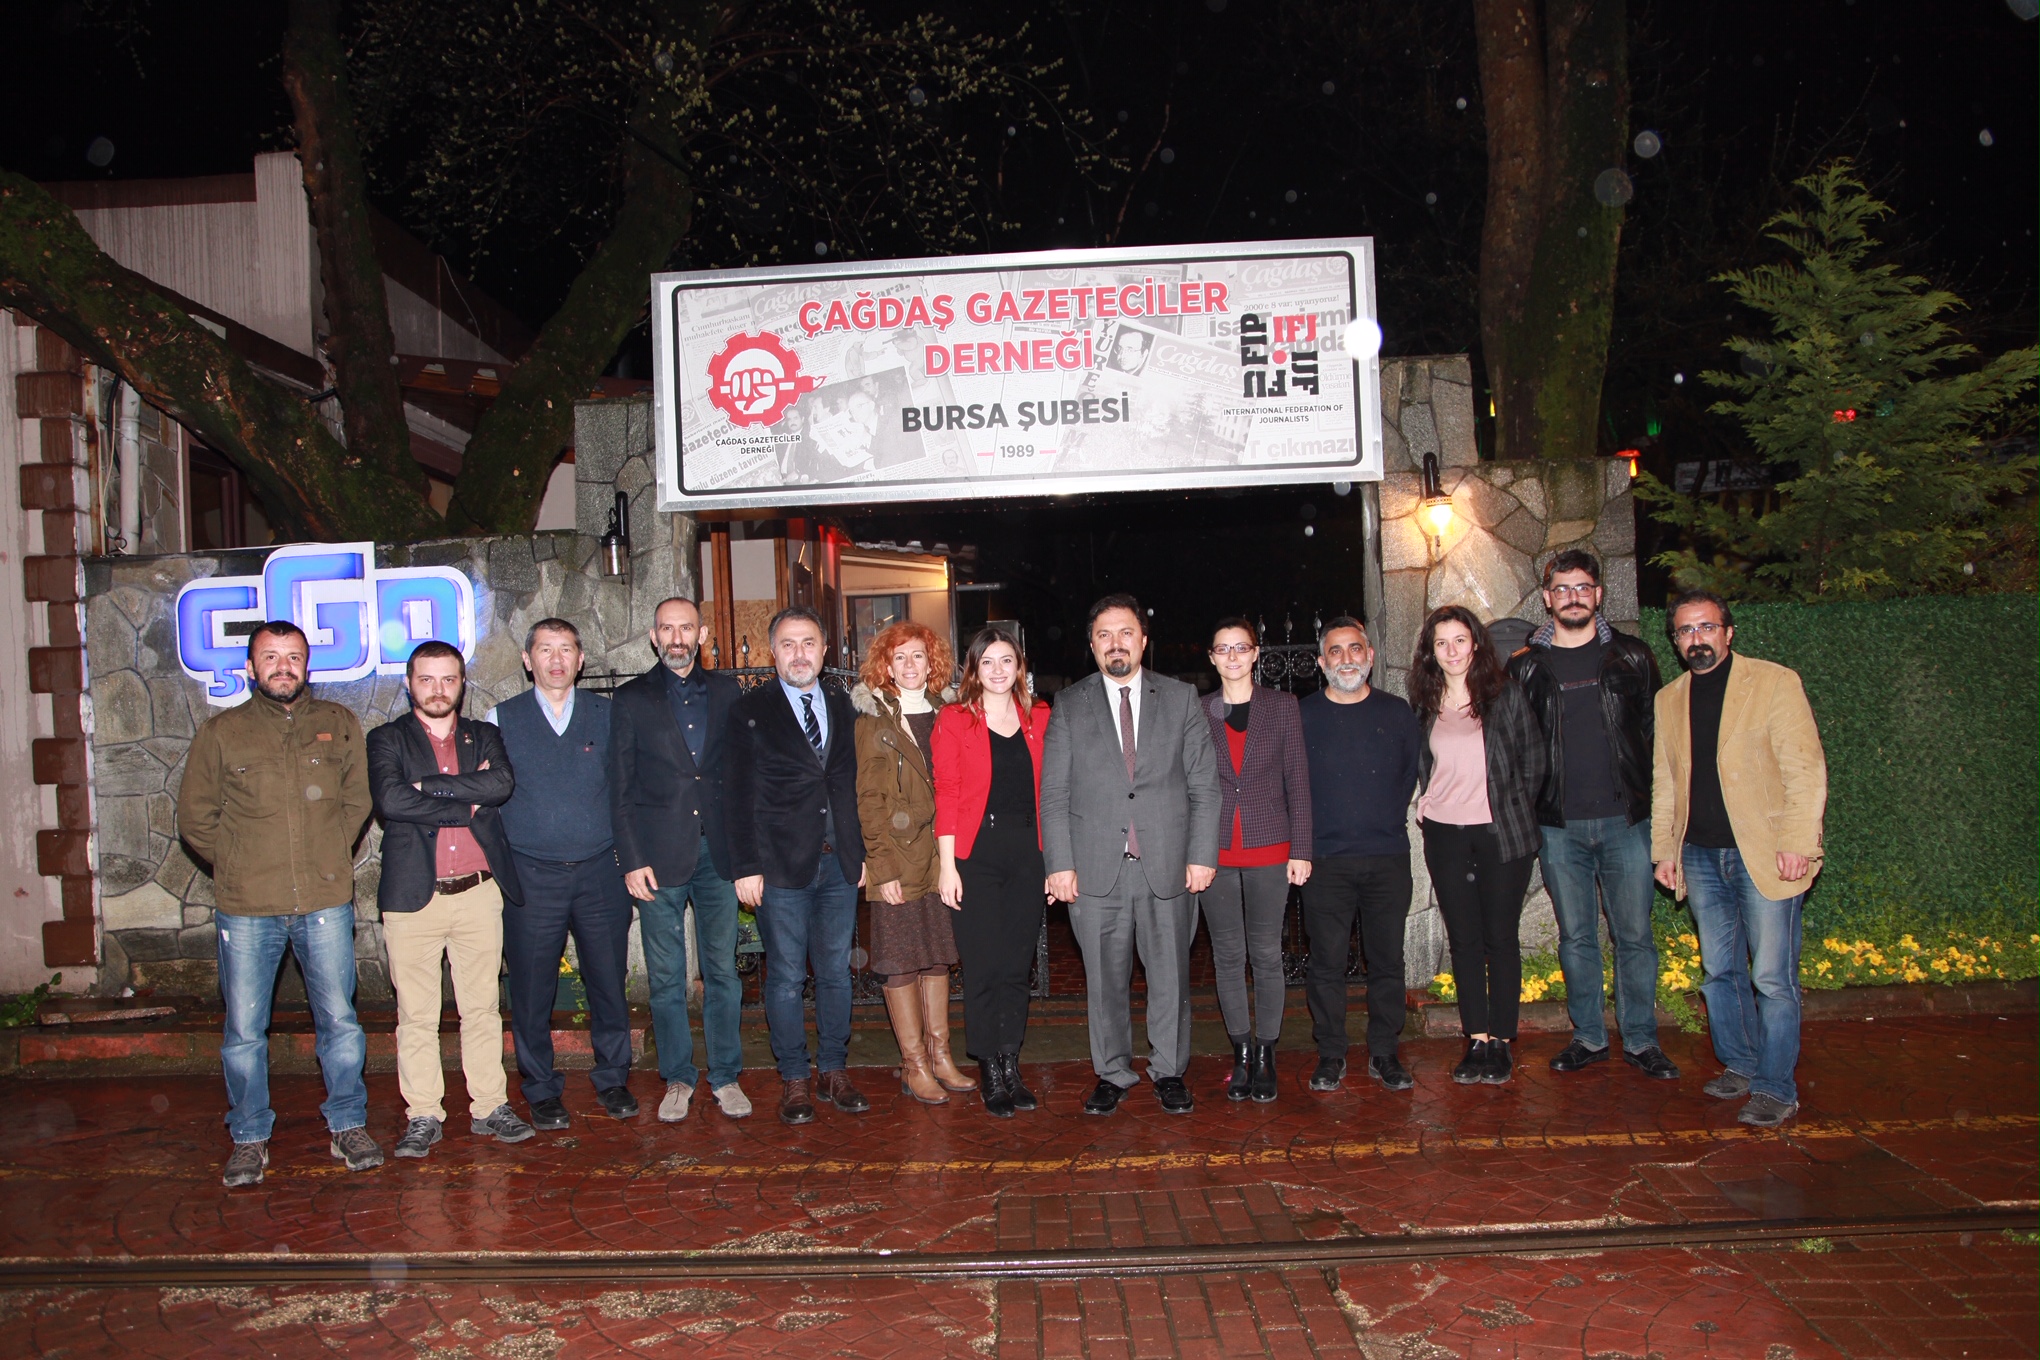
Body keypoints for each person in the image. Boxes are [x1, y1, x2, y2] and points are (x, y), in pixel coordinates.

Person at [178, 621, 380, 1186]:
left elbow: (357, 799)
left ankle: (348, 1123)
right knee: (244, 1031)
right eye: (270, 657)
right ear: (250, 668)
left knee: (340, 1022)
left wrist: (330, 851)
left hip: (324, 901)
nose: (283, 666)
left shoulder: (339, 723)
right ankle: (249, 1136)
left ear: (307, 665)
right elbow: (195, 816)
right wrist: (238, 863)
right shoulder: (222, 733)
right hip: (247, 907)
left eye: (293, 656)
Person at [1040, 593, 1222, 1116]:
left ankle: (1169, 1070)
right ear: (1092, 644)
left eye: (1125, 633)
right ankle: (1113, 1072)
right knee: (1104, 982)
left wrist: (1202, 855)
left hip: (1168, 864)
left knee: (1171, 978)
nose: (1115, 644)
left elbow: (1204, 785)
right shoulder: (1069, 704)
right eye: (1104, 635)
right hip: (1096, 870)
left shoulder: (1181, 698)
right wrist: (1060, 864)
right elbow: (1053, 793)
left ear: (1143, 639)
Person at [1652, 590, 1827, 1129]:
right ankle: (1743, 1064)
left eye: (1706, 627)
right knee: (1720, 972)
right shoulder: (1669, 699)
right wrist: (1664, 850)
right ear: (1676, 641)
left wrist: (1799, 841)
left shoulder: (1774, 682)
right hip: (1700, 855)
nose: (1696, 638)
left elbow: (1805, 769)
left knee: (1772, 978)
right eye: (1685, 630)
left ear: (1728, 632)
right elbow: (1666, 782)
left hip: (1765, 854)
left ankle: (1776, 1087)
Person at [1507, 552, 1679, 1081]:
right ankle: (1588, 1037)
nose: (1573, 597)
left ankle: (1642, 1040)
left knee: (1635, 937)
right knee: (1576, 938)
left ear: (1598, 594)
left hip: (1627, 823)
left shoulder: (1632, 657)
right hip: (1559, 827)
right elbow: (1513, 745)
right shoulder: (1524, 667)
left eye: (1583, 587)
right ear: (1547, 597)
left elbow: (1655, 734)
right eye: (1562, 589)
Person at [367, 642, 535, 1159]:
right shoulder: (386, 739)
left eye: (448, 679)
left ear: (462, 683)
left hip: (479, 894)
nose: (438, 689)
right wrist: (465, 801)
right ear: (409, 684)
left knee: (482, 1008)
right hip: (413, 898)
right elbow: (391, 799)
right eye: (426, 679)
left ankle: (489, 1105)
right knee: (416, 1014)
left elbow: (501, 784)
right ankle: (423, 1113)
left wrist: (428, 787)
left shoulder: (484, 734)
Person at [484, 619, 635, 1131]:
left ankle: (613, 1078)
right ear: (527, 660)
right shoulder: (500, 718)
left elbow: (626, 791)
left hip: (600, 872)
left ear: (580, 659)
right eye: (545, 650)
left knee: (608, 981)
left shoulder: (608, 715)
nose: (556, 659)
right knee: (531, 990)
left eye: (565, 649)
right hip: (531, 877)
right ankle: (541, 1088)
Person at [725, 606, 869, 1125]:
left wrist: (863, 853)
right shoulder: (750, 710)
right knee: (786, 977)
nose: (799, 653)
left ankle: (832, 1069)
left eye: (808, 643)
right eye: (788, 644)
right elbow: (736, 795)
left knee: (835, 974)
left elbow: (856, 786)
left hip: (839, 867)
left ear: (825, 650)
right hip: (779, 869)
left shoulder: (846, 705)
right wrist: (745, 866)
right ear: (773, 652)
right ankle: (794, 1077)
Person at [609, 597, 749, 1123]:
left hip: (719, 855)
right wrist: (631, 859)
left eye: (685, 628)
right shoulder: (630, 698)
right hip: (656, 858)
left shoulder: (729, 692)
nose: (676, 638)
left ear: (702, 634)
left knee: (723, 973)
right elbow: (619, 788)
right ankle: (677, 1077)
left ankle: (726, 1075)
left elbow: (743, 776)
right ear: (653, 636)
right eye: (667, 629)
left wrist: (747, 855)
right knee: (667, 978)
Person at [1409, 605, 1546, 1087]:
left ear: (1476, 644)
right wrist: (1428, 801)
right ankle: (1477, 1039)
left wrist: (1511, 807)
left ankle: (1502, 1041)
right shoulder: (1424, 701)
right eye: (1441, 642)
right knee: (1464, 939)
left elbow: (1533, 760)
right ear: (1431, 651)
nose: (1451, 651)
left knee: (1500, 938)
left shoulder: (1504, 694)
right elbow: (1424, 762)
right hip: (1446, 834)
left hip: (1500, 833)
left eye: (1460, 640)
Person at [851, 620, 977, 1105]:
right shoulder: (875, 720)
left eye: (918, 656)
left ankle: (941, 1056)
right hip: (899, 858)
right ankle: (915, 1064)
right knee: (902, 959)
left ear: (932, 663)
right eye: (899, 656)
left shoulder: (949, 712)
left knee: (938, 956)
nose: (909, 665)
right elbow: (869, 798)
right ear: (885, 666)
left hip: (942, 855)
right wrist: (881, 867)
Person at [1296, 616, 1421, 1093]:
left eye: (1354, 649)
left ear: (1369, 656)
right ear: (1321, 661)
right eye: (1335, 651)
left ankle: (1384, 1051)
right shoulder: (1302, 715)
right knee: (1326, 963)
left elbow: (1408, 774)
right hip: (1325, 860)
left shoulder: (1397, 712)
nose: (1345, 659)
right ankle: (1331, 1053)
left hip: (1386, 856)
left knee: (1387, 961)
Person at [933, 625, 1054, 1117]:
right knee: (983, 966)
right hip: (975, 854)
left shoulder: (1040, 717)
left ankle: (1010, 1061)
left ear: (1019, 667)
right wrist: (948, 866)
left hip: (1028, 852)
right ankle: (988, 1065)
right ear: (974, 670)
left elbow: (1054, 793)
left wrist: (1054, 863)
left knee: (1016, 966)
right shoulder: (955, 719)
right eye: (988, 662)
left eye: (1007, 660)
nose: (998, 670)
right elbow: (946, 793)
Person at [1196, 618, 1312, 1103]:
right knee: (1226, 954)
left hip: (1270, 846)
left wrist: (1302, 848)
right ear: (1212, 657)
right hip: (1216, 851)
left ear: (1256, 653)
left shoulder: (1282, 707)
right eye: (1223, 649)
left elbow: (1298, 780)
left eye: (1241, 647)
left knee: (1265, 952)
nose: (1233, 656)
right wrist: (1192, 852)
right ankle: (1241, 1051)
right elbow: (1190, 785)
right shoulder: (1198, 710)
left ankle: (1266, 1053)